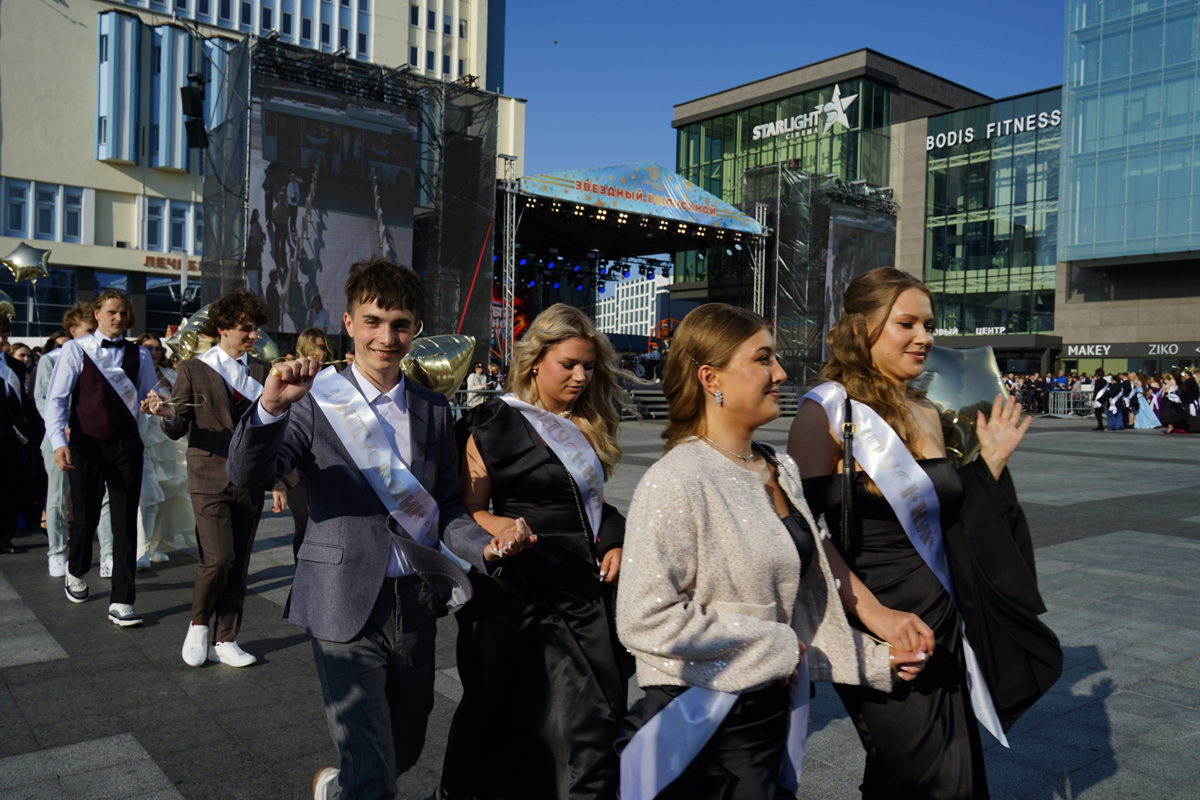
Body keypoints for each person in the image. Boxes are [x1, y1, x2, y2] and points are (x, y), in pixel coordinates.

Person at [225, 258, 533, 800]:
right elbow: (246, 473)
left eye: (399, 324)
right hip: (339, 596)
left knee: (404, 746)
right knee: (374, 773)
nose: (386, 338)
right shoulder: (314, 399)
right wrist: (270, 407)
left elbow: (445, 506)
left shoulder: (433, 408)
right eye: (373, 322)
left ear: (416, 329)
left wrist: (486, 545)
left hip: (414, 599)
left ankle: (339, 786)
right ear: (349, 323)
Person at [616, 303, 929, 800]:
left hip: (769, 715)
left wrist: (876, 659)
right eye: (763, 359)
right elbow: (644, 619)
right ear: (710, 378)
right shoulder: (676, 479)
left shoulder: (779, 467)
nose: (781, 373)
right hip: (702, 725)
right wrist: (775, 645)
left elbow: (803, 603)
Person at [788, 267, 1056, 799]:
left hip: (944, 613)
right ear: (861, 328)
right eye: (906, 323)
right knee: (931, 776)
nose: (924, 337)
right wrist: (873, 614)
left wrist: (992, 464)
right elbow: (800, 529)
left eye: (929, 325)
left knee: (924, 771)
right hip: (879, 619)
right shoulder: (828, 410)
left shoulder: (928, 411)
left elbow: (952, 517)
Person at [441, 304, 637, 800]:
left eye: (588, 366)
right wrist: (504, 529)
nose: (580, 377)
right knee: (513, 718)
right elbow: (469, 509)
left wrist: (615, 538)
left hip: (585, 590)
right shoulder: (491, 422)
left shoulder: (588, 420)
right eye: (568, 364)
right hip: (521, 592)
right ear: (534, 362)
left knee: (595, 716)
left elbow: (593, 507)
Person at [145, 289, 291, 667]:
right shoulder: (193, 368)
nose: (253, 335)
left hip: (250, 480)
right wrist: (167, 413)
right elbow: (179, 426)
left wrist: (277, 482)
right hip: (208, 476)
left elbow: (272, 434)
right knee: (218, 558)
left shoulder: (263, 372)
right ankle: (198, 624)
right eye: (246, 328)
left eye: (255, 328)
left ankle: (226, 638)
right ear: (222, 328)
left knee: (238, 564)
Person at [45, 289, 160, 626]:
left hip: (127, 446)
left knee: (125, 524)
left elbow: (150, 396)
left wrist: (153, 405)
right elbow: (56, 399)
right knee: (85, 517)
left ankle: (122, 600)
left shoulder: (139, 354)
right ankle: (76, 568)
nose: (118, 318)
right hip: (87, 445)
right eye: (111, 312)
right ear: (97, 314)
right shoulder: (75, 349)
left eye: (123, 312)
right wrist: (57, 441)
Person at [36, 306, 115, 576]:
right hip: (59, 440)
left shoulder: (105, 357)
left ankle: (108, 554)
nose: (95, 335)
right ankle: (57, 553)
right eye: (89, 331)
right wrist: (61, 430)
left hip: (94, 439)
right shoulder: (51, 359)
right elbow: (44, 400)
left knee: (104, 498)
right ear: (72, 331)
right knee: (58, 497)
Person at [132, 334, 192, 568]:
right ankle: (141, 550)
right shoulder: (133, 374)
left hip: (170, 444)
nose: (154, 352)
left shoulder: (172, 375)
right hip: (145, 442)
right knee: (147, 497)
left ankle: (154, 545)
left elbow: (182, 406)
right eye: (148, 348)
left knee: (167, 498)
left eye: (157, 348)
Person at [286, 328, 335, 562]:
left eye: (323, 347)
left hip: (329, 466)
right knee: (304, 525)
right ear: (303, 349)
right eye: (314, 348)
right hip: (297, 470)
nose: (319, 353)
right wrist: (278, 485)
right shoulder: (290, 378)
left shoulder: (337, 381)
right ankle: (301, 574)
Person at [0, 318, 32, 554]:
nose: (2, 339)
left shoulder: (15, 366)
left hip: (10, 436)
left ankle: (4, 537)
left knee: (10, 488)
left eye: (4, 335)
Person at [247, 208, 266, 295]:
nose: (258, 215)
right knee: (258, 261)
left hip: (258, 246)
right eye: (257, 214)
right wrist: (262, 235)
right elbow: (257, 235)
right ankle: (258, 277)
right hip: (257, 246)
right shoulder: (254, 224)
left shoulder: (256, 223)